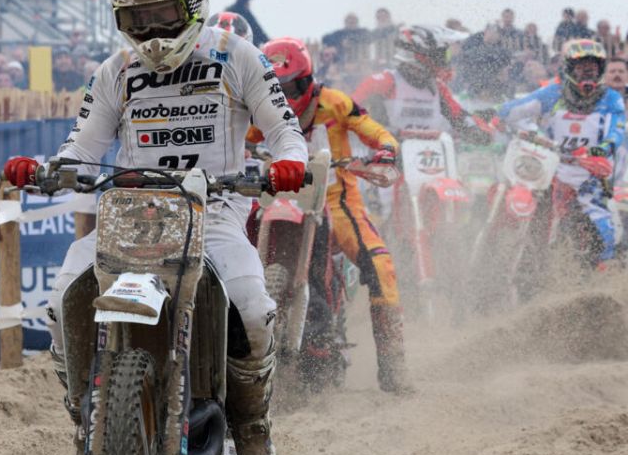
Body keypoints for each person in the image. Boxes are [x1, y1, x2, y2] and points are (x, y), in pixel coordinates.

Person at [3, 0, 307, 455]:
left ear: (194, 3)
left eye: (163, 15)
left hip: (214, 212)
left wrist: (287, 164)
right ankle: (86, 421)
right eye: (136, 19)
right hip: (133, 214)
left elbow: (285, 130)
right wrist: (50, 170)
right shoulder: (115, 71)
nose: (151, 31)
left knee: (252, 308)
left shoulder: (237, 56)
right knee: (63, 299)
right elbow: (82, 147)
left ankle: (252, 426)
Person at [253, 38, 411, 393]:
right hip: (275, 197)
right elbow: (237, 136)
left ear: (306, 80)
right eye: (276, 87)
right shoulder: (258, 108)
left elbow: (374, 130)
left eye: (290, 87)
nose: (284, 95)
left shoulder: (335, 103)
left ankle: (393, 366)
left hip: (336, 200)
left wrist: (387, 150)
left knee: (381, 266)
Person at [496, 39, 624, 269]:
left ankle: (606, 265)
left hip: (590, 171)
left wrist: (601, 149)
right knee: (528, 195)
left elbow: (617, 131)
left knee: (600, 216)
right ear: (570, 68)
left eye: (593, 67)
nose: (588, 72)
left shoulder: (611, 98)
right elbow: (520, 106)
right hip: (552, 167)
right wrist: (498, 115)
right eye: (582, 67)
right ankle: (512, 249)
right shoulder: (554, 92)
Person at [353, 25, 493, 143]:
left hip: (430, 155)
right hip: (385, 155)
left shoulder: (438, 88)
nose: (444, 61)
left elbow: (459, 116)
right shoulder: (384, 81)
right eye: (440, 55)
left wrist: (476, 130)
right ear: (420, 54)